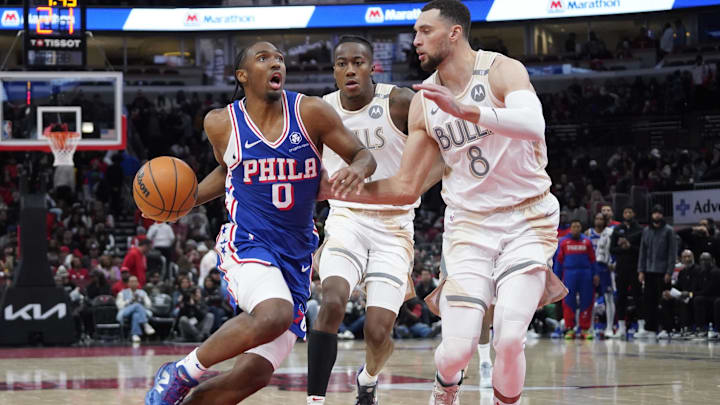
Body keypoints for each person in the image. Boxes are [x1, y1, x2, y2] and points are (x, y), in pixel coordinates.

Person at [320, 2, 567, 403]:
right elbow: (405, 187)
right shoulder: (424, 101)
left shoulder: (502, 69)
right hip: (469, 227)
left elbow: (533, 124)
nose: (415, 40)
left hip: (528, 219)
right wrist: (333, 190)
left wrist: (469, 110)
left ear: (453, 33)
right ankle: (445, 386)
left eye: (424, 31)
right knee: (456, 351)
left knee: (508, 337)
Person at [145, 41, 376, 405]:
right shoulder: (220, 122)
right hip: (248, 243)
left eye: (280, 59)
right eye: (264, 58)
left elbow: (362, 155)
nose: (276, 64)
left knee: (255, 373)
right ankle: (181, 372)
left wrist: (358, 170)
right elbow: (229, 170)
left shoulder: (311, 112)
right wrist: (182, 203)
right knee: (274, 313)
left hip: (295, 254)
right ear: (242, 75)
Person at [306, 35, 440, 405]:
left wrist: (410, 189)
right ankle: (314, 400)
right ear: (334, 70)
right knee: (332, 301)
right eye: (342, 63)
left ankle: (368, 379)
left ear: (372, 66)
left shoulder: (399, 102)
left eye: (358, 62)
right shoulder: (320, 110)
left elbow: (444, 156)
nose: (350, 69)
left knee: (378, 332)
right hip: (346, 219)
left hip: (394, 226)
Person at [636, 204, 677, 339]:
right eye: (655, 213)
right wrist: (641, 270)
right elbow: (642, 251)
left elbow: (672, 253)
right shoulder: (646, 231)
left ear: (662, 215)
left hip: (663, 272)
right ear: (652, 215)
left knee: (664, 301)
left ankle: (665, 328)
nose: (657, 215)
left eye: (659, 213)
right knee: (649, 301)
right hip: (648, 271)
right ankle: (650, 328)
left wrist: (669, 272)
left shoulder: (669, 231)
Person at [557, 220, 599, 339]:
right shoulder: (564, 242)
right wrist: (557, 277)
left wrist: (595, 274)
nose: (576, 228)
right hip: (569, 273)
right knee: (568, 301)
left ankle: (584, 329)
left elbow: (593, 259)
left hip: (586, 273)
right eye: (574, 226)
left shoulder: (587, 241)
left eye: (578, 226)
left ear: (581, 228)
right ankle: (570, 328)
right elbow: (559, 261)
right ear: (570, 228)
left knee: (586, 301)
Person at [608, 207, 644, 339]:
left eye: (630, 212)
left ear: (633, 214)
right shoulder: (617, 230)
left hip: (635, 268)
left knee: (637, 296)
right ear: (622, 214)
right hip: (621, 269)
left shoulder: (640, 230)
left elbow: (642, 250)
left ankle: (641, 327)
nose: (627, 214)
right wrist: (623, 248)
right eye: (625, 212)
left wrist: (630, 247)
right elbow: (612, 249)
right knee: (620, 297)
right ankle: (621, 328)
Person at [587, 212, 615, 337]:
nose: (598, 221)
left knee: (609, 298)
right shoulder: (588, 233)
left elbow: (614, 250)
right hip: (592, 268)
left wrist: (613, 263)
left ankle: (609, 327)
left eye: (601, 219)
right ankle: (590, 327)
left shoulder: (610, 232)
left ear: (605, 221)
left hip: (605, 267)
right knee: (590, 298)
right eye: (596, 218)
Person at [116, 275, 155, 343]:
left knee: (136, 314)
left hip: (140, 313)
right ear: (128, 283)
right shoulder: (122, 293)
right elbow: (120, 306)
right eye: (131, 281)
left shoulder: (143, 293)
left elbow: (149, 305)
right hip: (126, 311)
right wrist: (130, 300)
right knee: (137, 305)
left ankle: (135, 335)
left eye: (135, 281)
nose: (133, 283)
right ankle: (145, 324)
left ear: (138, 283)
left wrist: (143, 300)